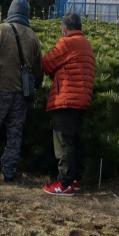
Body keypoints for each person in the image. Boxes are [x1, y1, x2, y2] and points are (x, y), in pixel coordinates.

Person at [0, 0, 43, 182]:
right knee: (15, 133)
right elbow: (38, 67)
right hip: (21, 94)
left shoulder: (1, 30)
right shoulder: (32, 36)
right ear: (26, 14)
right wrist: (37, 84)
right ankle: (9, 171)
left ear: (10, 12)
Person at [41, 13, 95, 197]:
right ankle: (75, 179)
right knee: (74, 141)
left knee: (63, 142)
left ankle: (63, 183)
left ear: (65, 28)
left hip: (66, 98)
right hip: (81, 98)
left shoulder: (67, 42)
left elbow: (47, 64)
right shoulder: (85, 43)